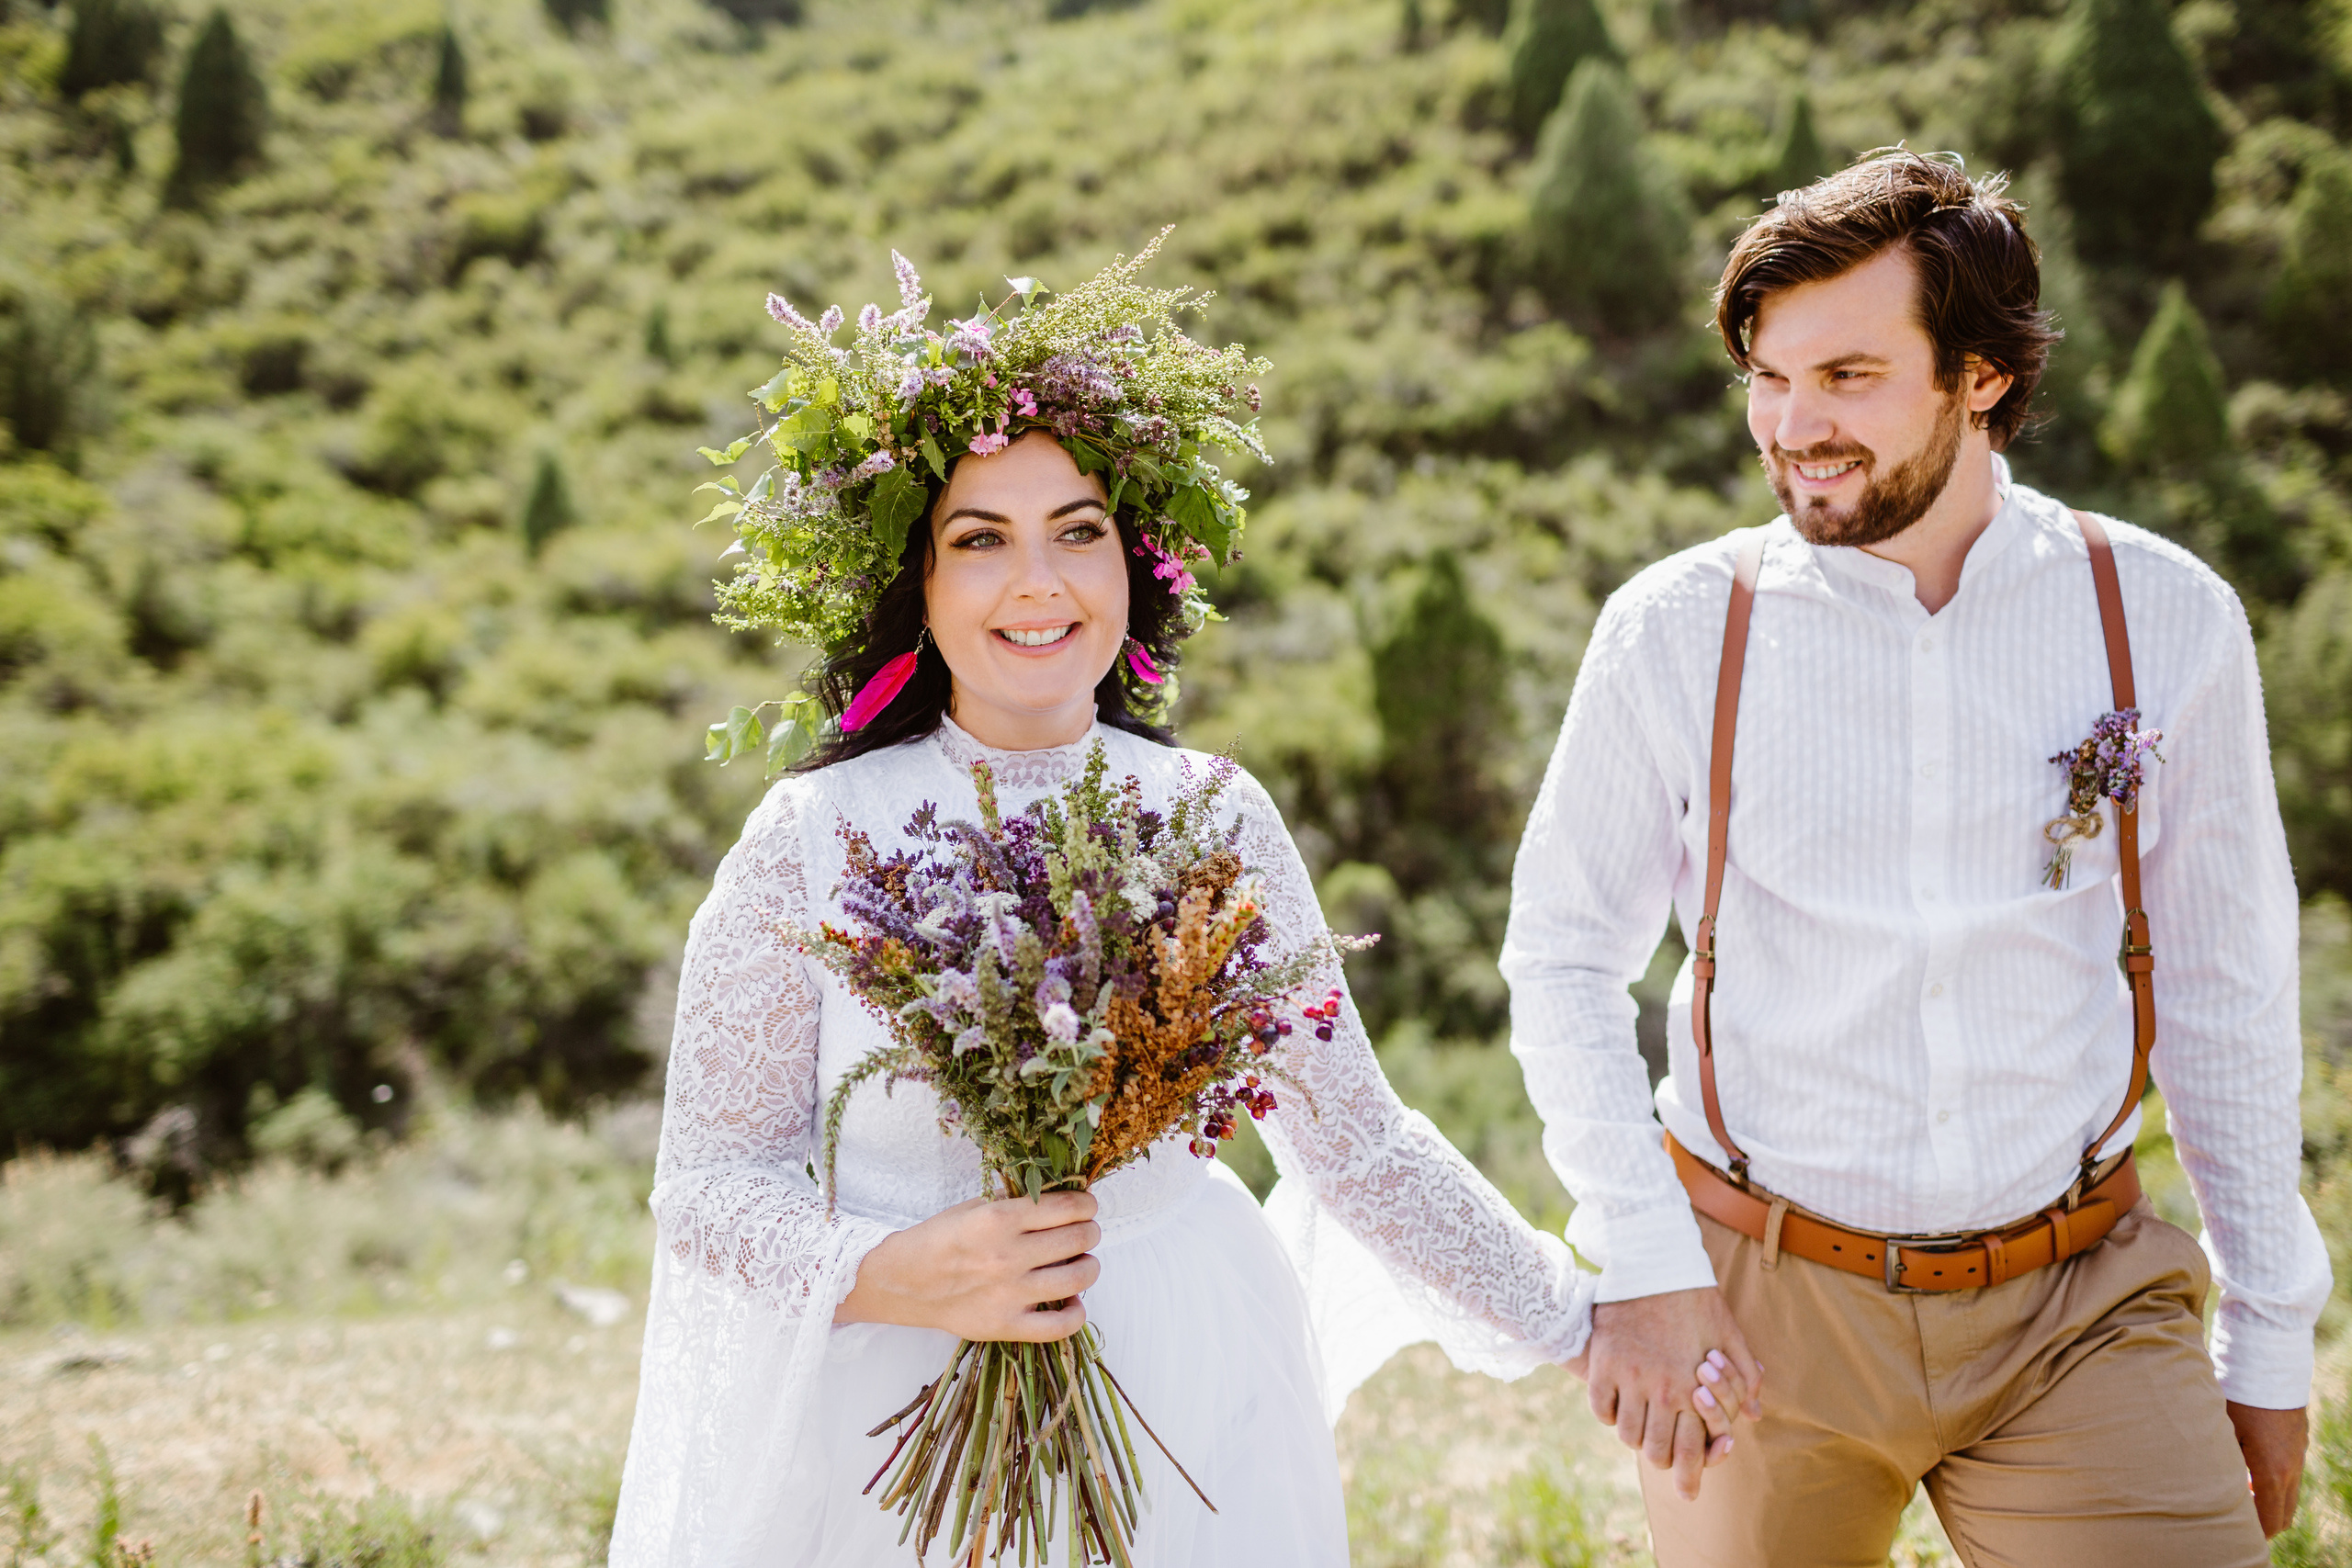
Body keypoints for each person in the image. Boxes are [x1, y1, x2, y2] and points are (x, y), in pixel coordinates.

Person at [607, 243, 1749, 1568]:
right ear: (913, 586)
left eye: (1077, 532)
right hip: (884, 1401)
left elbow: (1357, 1146)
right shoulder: (813, 836)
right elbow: (706, 1187)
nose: (1039, 583)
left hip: (1193, 1386)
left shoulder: (1213, 812)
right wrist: (891, 1272)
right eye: (980, 541)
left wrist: (1581, 1323)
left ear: (1131, 563)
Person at [1502, 150, 2333, 1564]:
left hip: (2080, 1298)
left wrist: (2267, 1335)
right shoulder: (1678, 630)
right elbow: (1565, 959)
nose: (1793, 425)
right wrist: (1641, 1266)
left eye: (1849, 377)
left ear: (1981, 377)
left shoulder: (2165, 618)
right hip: (1761, 1303)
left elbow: (2227, 989)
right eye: (1770, 378)